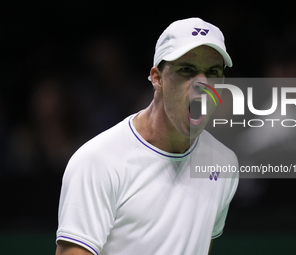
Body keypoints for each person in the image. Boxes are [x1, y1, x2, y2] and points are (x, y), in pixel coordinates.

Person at [55, 17, 239, 255]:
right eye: (187, 70)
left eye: (213, 72)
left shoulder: (224, 164)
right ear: (157, 77)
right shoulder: (97, 161)